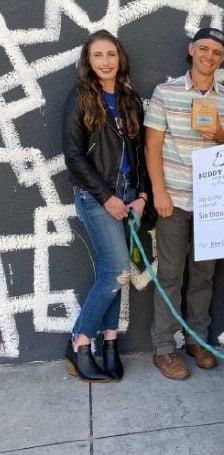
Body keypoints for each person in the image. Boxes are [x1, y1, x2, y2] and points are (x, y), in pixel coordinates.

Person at [144, 27, 224, 380]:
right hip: (174, 200)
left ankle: (196, 340)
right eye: (204, 49)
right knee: (170, 274)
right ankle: (164, 349)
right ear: (191, 50)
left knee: (203, 277)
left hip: (212, 206)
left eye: (217, 52)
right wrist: (159, 192)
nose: (209, 56)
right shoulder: (166, 92)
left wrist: (222, 135)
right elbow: (152, 146)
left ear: (222, 58)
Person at [62, 29, 149, 382]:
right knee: (116, 271)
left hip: (129, 194)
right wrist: (107, 197)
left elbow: (141, 153)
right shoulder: (80, 97)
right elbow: (74, 156)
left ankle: (110, 342)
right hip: (96, 195)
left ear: (120, 58)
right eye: (98, 55)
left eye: (110, 54)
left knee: (117, 274)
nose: (105, 61)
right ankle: (80, 342)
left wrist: (142, 196)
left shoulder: (130, 99)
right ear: (89, 60)